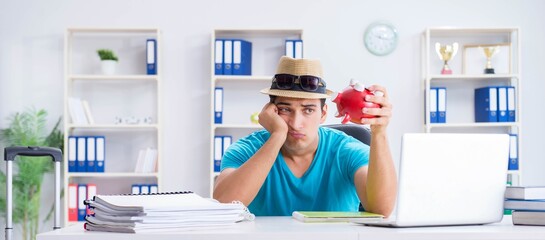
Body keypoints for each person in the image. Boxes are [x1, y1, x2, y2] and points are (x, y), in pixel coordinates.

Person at [213, 56, 397, 217]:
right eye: (285, 109)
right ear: (270, 112)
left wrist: (379, 132)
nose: (295, 123)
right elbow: (224, 206)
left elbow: (381, 210)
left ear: (323, 113)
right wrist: (277, 136)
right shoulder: (246, 150)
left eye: (308, 110)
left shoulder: (347, 151)